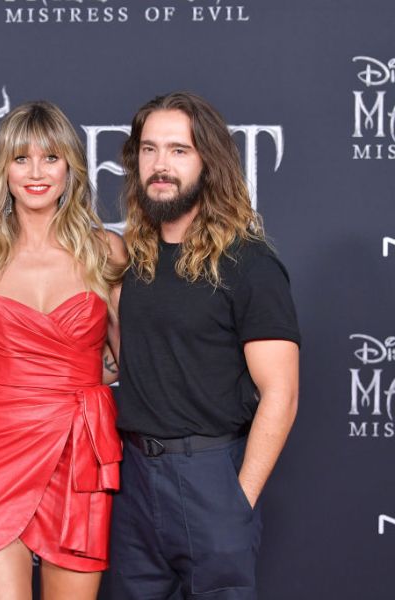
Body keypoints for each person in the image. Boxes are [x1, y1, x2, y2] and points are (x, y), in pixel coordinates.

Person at [109, 91, 300, 599]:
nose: (160, 165)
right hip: (132, 482)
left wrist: (239, 500)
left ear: (208, 162)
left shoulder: (249, 262)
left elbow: (281, 392)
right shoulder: (135, 258)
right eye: (149, 150)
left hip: (211, 477)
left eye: (178, 150)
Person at [0, 100, 127, 600]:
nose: (36, 172)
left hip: (78, 450)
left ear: (71, 167)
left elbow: (133, 359)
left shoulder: (104, 249)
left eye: (50, 157)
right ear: (2, 170)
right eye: (20, 158)